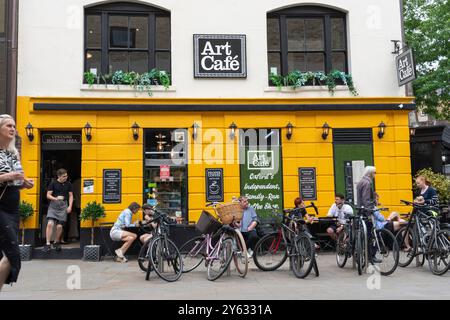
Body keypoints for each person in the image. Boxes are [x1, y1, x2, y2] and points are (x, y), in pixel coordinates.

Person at [0, 114, 34, 291]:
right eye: (8, 126)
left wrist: (25, 183)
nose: (12, 129)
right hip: (1, 207)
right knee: (13, 254)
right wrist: (8, 176)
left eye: (14, 126)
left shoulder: (13, 153)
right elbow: (8, 178)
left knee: (8, 254)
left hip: (13, 208)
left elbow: (16, 181)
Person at [44, 168, 73, 252]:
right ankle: (48, 243)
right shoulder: (53, 183)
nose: (66, 177)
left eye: (66, 176)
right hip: (53, 206)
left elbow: (71, 196)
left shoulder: (68, 184)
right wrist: (55, 198)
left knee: (59, 226)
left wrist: (70, 206)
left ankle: (56, 242)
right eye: (64, 176)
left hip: (64, 206)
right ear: (59, 176)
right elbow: (48, 195)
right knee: (50, 224)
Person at [356, 166, 380, 263]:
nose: (375, 175)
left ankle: (362, 254)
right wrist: (371, 210)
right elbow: (366, 199)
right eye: (375, 173)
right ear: (370, 173)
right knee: (372, 234)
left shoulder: (361, 181)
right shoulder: (368, 182)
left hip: (361, 211)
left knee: (364, 235)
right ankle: (371, 256)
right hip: (367, 212)